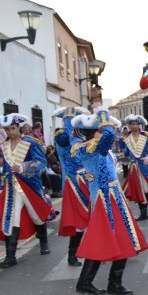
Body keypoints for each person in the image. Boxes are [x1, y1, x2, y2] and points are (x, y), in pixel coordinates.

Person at [71, 111, 148, 295]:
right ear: (95, 131)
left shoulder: (95, 147)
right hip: (104, 199)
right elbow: (108, 136)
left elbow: (107, 139)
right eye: (102, 128)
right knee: (109, 237)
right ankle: (103, 283)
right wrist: (103, 116)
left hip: (113, 196)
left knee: (120, 238)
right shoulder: (88, 148)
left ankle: (101, 282)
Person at [0, 114, 53, 268]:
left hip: (30, 185)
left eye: (12, 128)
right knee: (11, 219)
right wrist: (3, 180)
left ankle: (44, 242)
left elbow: (41, 162)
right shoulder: (5, 146)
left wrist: (23, 167)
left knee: (36, 216)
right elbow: (7, 167)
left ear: (18, 127)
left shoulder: (31, 142)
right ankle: (10, 256)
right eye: (7, 129)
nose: (10, 132)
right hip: (12, 187)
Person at [53, 107, 92, 267]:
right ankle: (72, 255)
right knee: (80, 219)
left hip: (90, 181)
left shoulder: (85, 137)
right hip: (75, 184)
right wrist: (70, 117)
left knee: (100, 214)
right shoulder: (63, 136)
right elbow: (69, 139)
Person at [120, 115, 148, 221]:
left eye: (136, 124)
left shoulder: (146, 137)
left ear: (140, 125)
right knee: (138, 188)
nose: (134, 126)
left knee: (145, 188)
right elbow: (126, 153)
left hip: (144, 165)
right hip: (133, 167)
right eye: (132, 124)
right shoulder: (126, 139)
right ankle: (143, 212)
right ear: (129, 125)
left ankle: (145, 212)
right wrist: (122, 157)